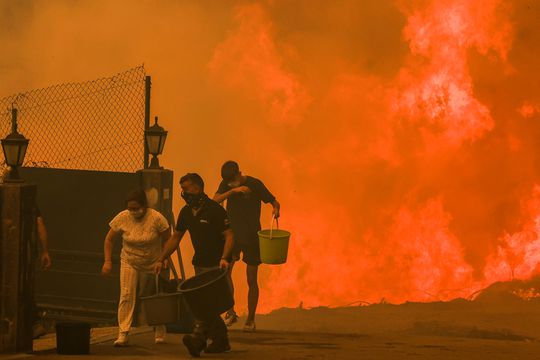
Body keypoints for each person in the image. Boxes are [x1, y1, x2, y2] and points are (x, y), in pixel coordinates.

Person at [155, 173, 234, 356]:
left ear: (197, 188)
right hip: (199, 264)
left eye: (186, 189)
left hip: (217, 266)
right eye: (182, 189)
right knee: (207, 305)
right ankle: (220, 341)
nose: (183, 193)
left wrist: (225, 258)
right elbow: (176, 238)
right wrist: (161, 258)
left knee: (206, 304)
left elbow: (229, 235)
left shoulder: (215, 210)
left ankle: (198, 339)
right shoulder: (186, 212)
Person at [213, 161, 280, 332]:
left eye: (232, 182)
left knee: (251, 279)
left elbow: (274, 201)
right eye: (228, 183)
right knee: (225, 272)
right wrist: (233, 190)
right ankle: (230, 312)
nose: (230, 184)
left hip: (251, 237)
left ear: (238, 174)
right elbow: (215, 200)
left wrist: (275, 209)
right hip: (232, 237)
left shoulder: (255, 184)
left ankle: (250, 319)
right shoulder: (227, 185)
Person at [101, 189, 171, 346]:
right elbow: (109, 240)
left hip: (154, 261)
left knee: (155, 296)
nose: (134, 212)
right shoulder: (123, 217)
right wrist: (107, 261)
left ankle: (159, 328)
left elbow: (168, 239)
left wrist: (165, 258)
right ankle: (123, 333)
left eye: (137, 208)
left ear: (144, 206)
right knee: (126, 294)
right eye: (130, 208)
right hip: (129, 260)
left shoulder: (156, 218)